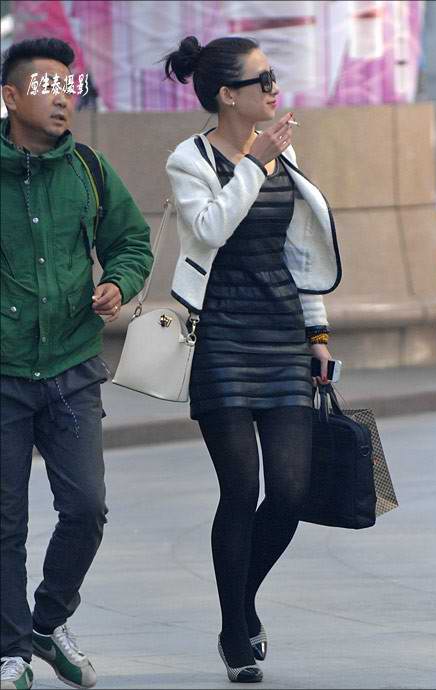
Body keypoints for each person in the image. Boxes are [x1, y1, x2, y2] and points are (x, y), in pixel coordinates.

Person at [164, 36, 342, 683]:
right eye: (261, 80)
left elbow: (301, 253)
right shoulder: (189, 159)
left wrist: (317, 334)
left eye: (273, 76)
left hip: (281, 335)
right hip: (220, 339)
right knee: (241, 489)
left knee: (289, 492)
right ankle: (235, 634)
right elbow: (209, 228)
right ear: (226, 95)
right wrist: (255, 165)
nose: (273, 88)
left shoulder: (282, 152)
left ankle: (240, 603)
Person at [0, 38, 153, 689]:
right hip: (3, 372)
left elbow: (132, 240)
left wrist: (118, 281)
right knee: (5, 523)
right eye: (48, 87)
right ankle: (10, 651)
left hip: (72, 368)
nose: (64, 97)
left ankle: (47, 619)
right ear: (11, 97)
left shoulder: (88, 167)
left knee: (87, 508)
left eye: (71, 86)